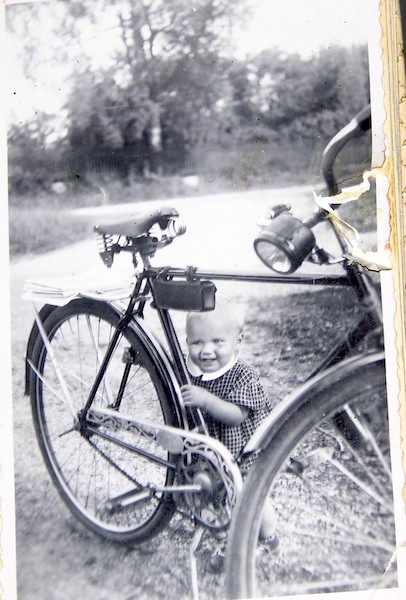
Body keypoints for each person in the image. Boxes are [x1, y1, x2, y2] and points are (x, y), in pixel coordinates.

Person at [180, 298, 277, 571]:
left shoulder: (242, 374)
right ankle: (225, 534)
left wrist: (205, 400)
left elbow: (237, 415)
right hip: (215, 452)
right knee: (215, 493)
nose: (206, 351)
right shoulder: (194, 370)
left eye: (217, 342)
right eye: (196, 343)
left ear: (237, 341)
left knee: (250, 496)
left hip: (243, 452)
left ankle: (268, 538)